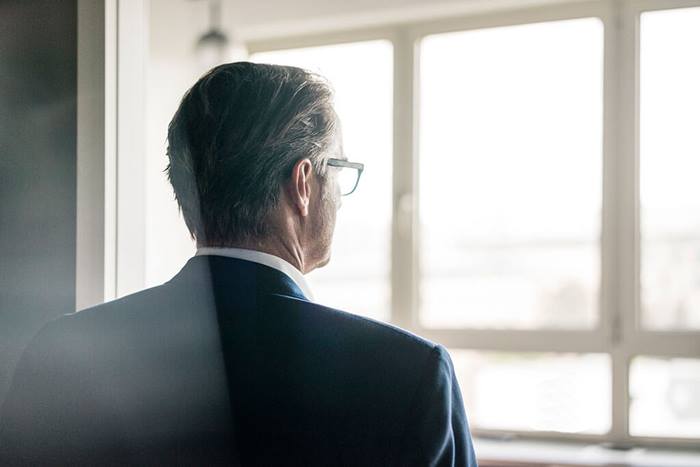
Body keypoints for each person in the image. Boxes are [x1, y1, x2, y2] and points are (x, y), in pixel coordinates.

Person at [0, 62, 477, 466]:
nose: (342, 197)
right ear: (304, 184)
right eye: (340, 170)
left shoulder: (61, 350)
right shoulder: (410, 375)